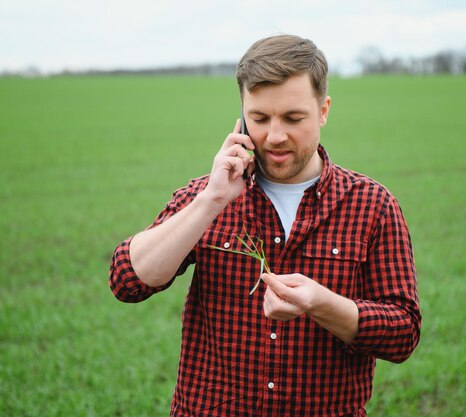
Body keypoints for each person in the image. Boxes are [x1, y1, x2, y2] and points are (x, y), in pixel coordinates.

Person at [110, 34, 421, 417]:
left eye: (293, 118)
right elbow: (128, 282)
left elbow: (403, 334)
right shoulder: (207, 197)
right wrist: (211, 200)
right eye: (259, 118)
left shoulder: (372, 205)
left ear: (323, 111)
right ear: (241, 115)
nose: (275, 136)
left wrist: (325, 305)